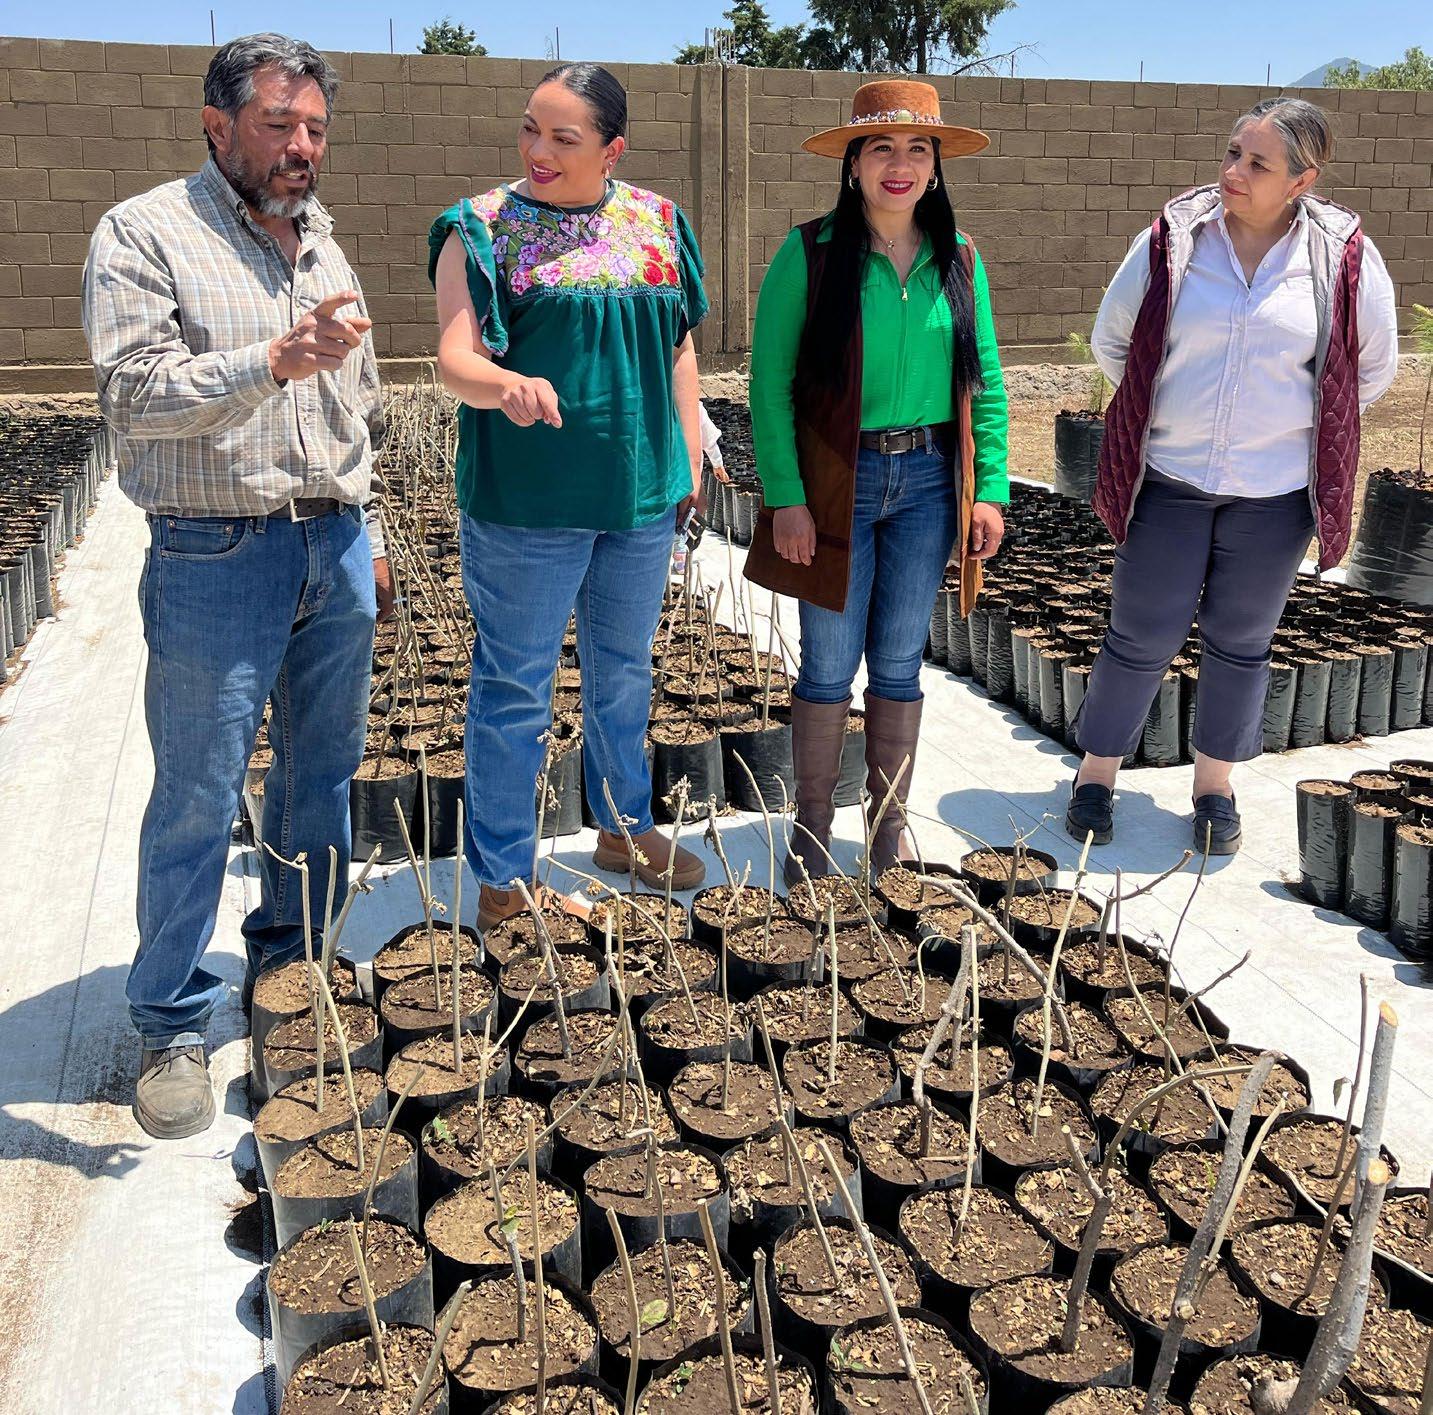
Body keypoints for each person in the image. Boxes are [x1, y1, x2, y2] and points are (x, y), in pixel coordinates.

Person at [81, 33, 391, 1139]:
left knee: (320, 778)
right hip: (214, 554)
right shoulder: (145, 233)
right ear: (218, 126)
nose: (301, 145)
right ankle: (168, 1016)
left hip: (331, 545)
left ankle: (293, 964)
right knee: (200, 792)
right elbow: (133, 393)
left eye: (314, 127)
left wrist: (369, 527)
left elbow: (358, 401)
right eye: (278, 125)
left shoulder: (324, 242)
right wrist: (269, 362)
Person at [1065, 97, 1399, 855]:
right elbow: (1114, 342)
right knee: (1140, 631)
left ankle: (1213, 787)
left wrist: (1283, 425)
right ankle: (1096, 774)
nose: (1233, 172)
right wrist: (1168, 409)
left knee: (1241, 641)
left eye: (1257, 163)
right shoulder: (1174, 239)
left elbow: (1367, 370)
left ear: (1302, 181)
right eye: (1232, 154)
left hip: (1274, 495)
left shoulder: (1342, 257)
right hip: (1170, 479)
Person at [429, 62, 711, 929]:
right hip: (527, 505)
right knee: (516, 687)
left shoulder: (658, 222)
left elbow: (678, 348)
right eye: (530, 129)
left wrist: (690, 450)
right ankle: (503, 878)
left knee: (623, 672)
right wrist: (504, 384)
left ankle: (623, 828)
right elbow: (454, 360)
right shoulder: (479, 227)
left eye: (563, 137)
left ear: (611, 150)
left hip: (639, 498)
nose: (538, 150)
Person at [744, 80, 1009, 883]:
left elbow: (986, 382)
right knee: (827, 664)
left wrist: (989, 488)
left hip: (927, 483)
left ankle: (887, 830)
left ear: (935, 166)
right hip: (837, 484)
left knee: (898, 661)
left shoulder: (960, 258)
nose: (901, 164)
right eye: (882, 148)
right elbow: (768, 385)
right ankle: (813, 829)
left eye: (917, 149)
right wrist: (785, 497)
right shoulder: (809, 252)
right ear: (853, 163)